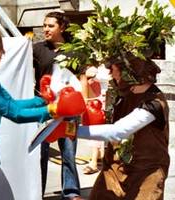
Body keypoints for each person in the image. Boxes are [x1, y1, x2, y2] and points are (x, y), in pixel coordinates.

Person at [0, 24, 86, 200]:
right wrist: (54, 109)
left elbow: (12, 104)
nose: (2, 53)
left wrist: (43, 100)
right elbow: (14, 113)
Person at [50, 55, 169, 199]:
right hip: (114, 170)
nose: (110, 74)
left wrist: (68, 129)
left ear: (129, 72)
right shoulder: (122, 96)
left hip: (146, 175)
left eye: (113, 69)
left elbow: (118, 131)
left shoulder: (154, 103)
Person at [33, 11, 84, 200]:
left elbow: (83, 77)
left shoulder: (76, 50)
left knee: (69, 152)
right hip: (44, 110)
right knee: (40, 154)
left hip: (69, 112)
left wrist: (83, 105)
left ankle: (71, 192)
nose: (45, 29)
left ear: (62, 27)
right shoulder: (37, 49)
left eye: (50, 26)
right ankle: (37, 192)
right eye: (44, 25)